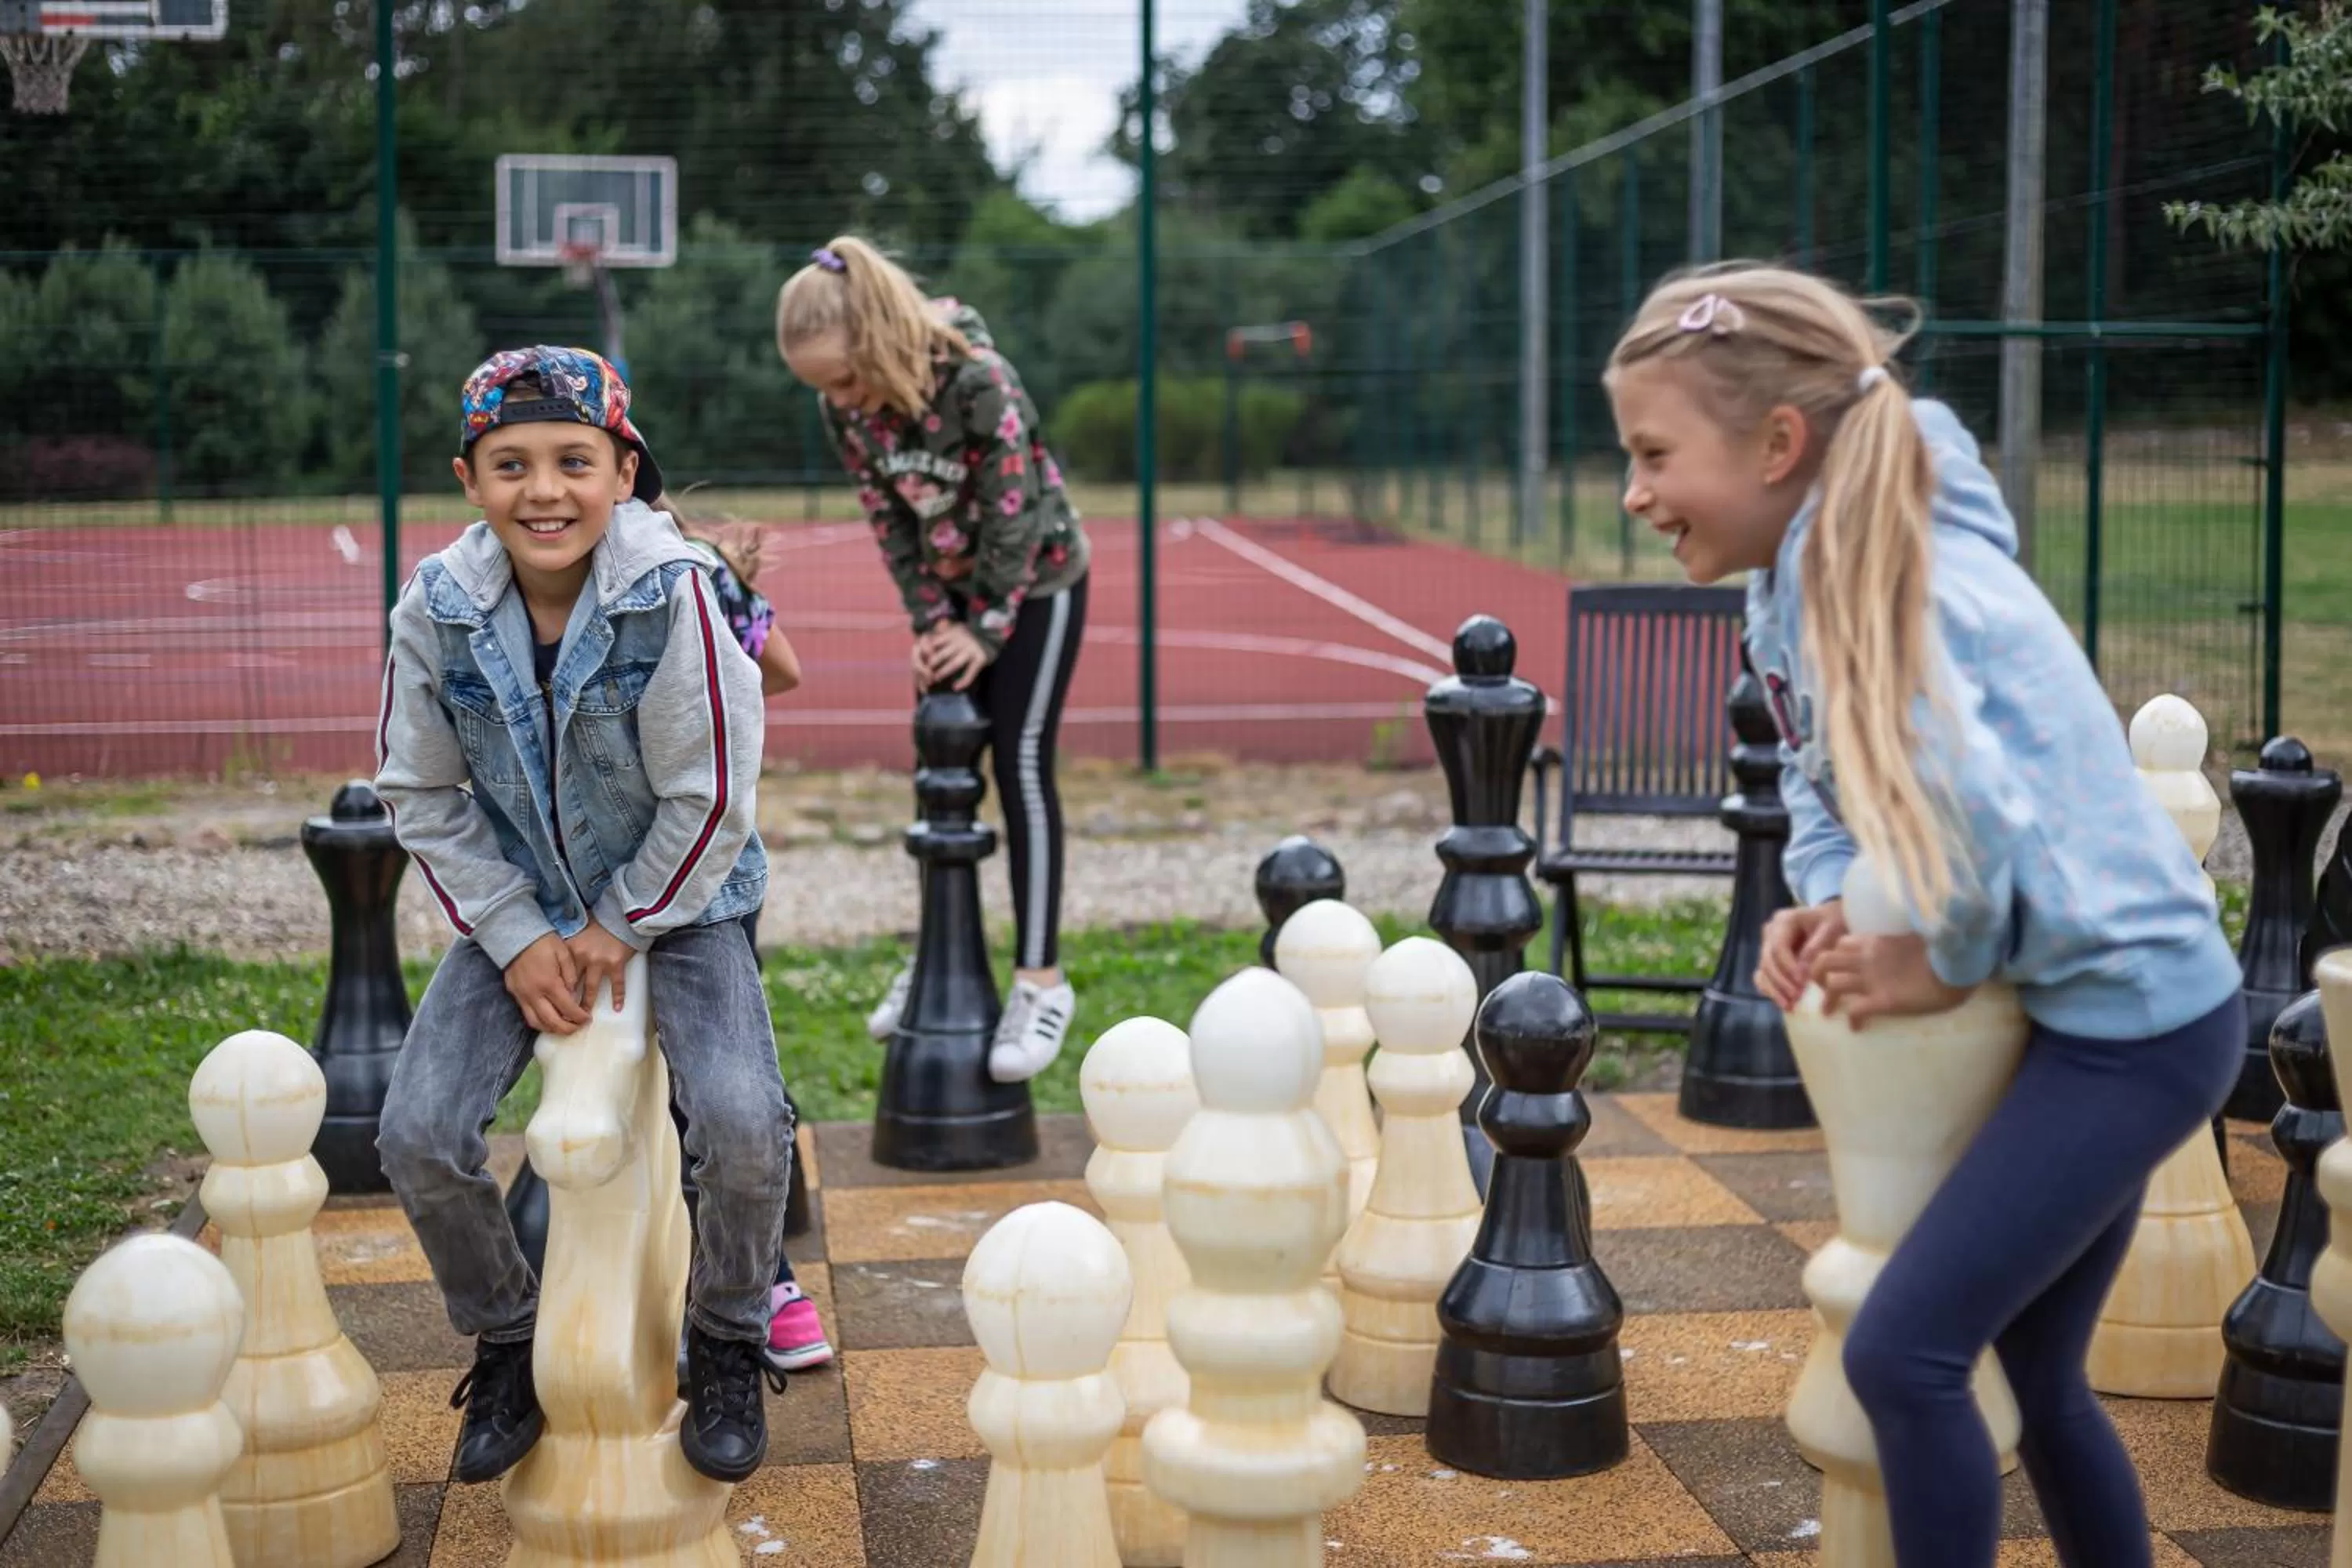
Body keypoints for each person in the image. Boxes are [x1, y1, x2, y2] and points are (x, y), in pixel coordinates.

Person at [1603, 264, 2243, 1568]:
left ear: (1779, 444)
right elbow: (1812, 774)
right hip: (2096, 1012)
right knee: (2033, 1374)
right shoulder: (1793, 582)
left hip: (2140, 1024)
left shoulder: (1901, 584)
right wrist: (1828, 902)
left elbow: (1986, 812)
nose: (1634, 491)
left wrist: (1938, 964)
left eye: (1655, 452)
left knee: (1906, 1355)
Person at [372, 346, 795, 1486]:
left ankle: (727, 1335)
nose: (543, 489)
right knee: (415, 1134)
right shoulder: (438, 607)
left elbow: (712, 794)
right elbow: (418, 790)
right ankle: (507, 1335)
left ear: (623, 470)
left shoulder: (678, 592)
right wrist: (515, 938)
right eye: (511, 464)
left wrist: (620, 923)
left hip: (684, 899)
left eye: (574, 460)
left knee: (748, 1130)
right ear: (470, 480)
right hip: (520, 903)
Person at [774, 234, 1089, 1083]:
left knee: (1019, 762)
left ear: (876, 340)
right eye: (823, 389)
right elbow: (889, 519)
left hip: (1038, 583)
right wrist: (928, 619)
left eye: (843, 379)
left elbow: (1016, 513)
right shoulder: (845, 407)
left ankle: (1041, 978)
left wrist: (982, 628)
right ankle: (942, 950)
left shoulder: (980, 379)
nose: (837, 399)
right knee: (944, 765)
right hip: (954, 599)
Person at [668, 503, 834, 1374]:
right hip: (704, 852)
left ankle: (754, 1278)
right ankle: (751, 1276)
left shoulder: (687, 573)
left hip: (708, 860)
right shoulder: (706, 564)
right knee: (710, 1069)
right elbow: (790, 669)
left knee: (715, 1075)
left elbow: (783, 670)